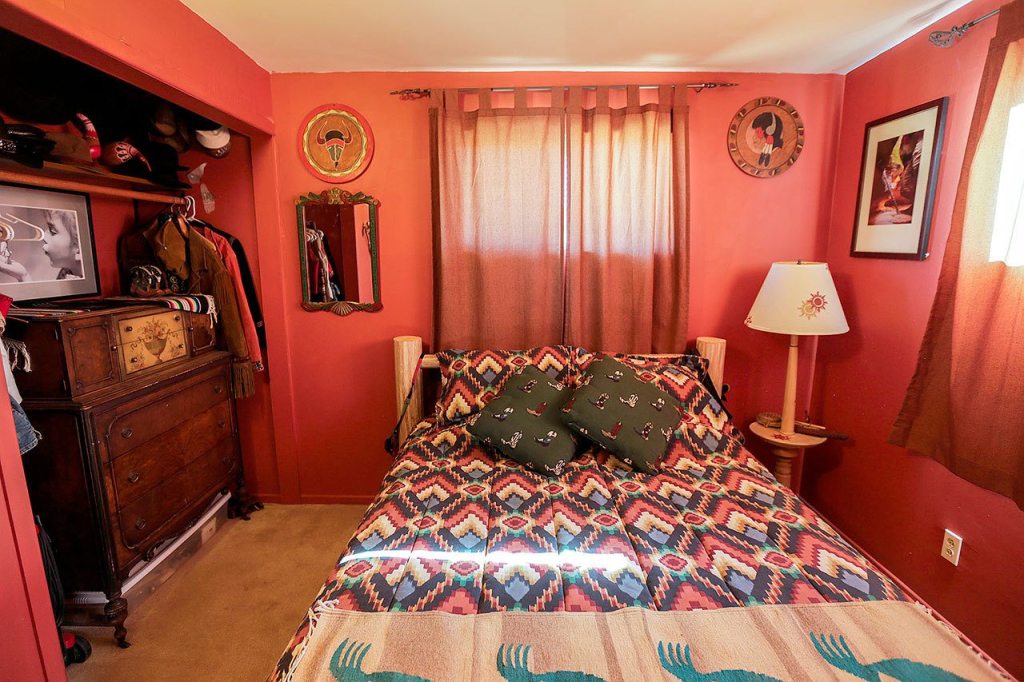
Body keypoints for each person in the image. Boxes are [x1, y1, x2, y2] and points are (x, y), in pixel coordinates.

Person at [42, 209, 83, 280]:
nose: (43, 236)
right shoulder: (66, 272)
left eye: (53, 231)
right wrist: (24, 276)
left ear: (79, 250)